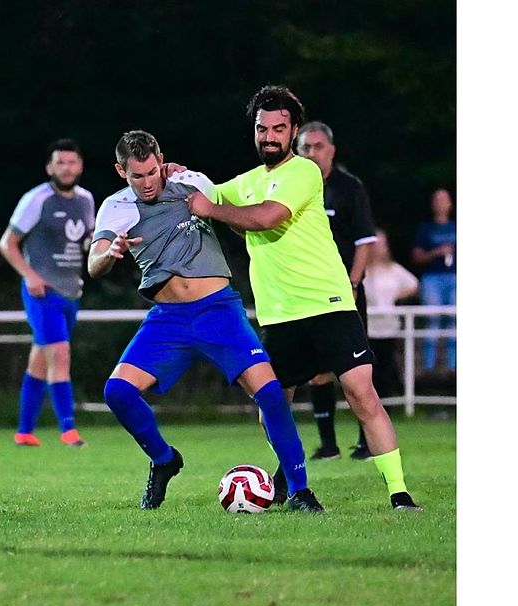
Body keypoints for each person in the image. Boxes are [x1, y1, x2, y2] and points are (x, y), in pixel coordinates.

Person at [183, 85, 422, 510]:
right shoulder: (249, 181)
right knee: (271, 405)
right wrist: (176, 176)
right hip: (279, 314)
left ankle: (399, 493)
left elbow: (264, 217)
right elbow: (208, 192)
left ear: (293, 131)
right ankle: (293, 485)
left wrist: (211, 208)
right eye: (262, 128)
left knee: (361, 393)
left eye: (278, 128)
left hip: (327, 303)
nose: (269, 136)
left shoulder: (304, 172)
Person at [88, 130, 323, 512]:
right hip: (168, 318)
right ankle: (165, 460)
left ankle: (299, 491)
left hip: (218, 311)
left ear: (161, 159)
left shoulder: (191, 182)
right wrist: (110, 253)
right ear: (120, 171)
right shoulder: (116, 208)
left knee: (271, 396)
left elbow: (235, 212)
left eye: (151, 172)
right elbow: (93, 264)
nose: (147, 183)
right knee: (117, 392)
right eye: (137, 176)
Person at [0, 138, 94, 448]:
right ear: (50, 167)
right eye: (60, 162)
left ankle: (24, 432)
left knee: (40, 360)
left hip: (70, 292)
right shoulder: (36, 199)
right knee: (61, 353)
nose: (67, 168)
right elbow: (7, 242)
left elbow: (87, 241)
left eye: (72, 162)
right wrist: (30, 276)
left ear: (80, 166)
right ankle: (69, 431)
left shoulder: (86, 200)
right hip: (42, 293)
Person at [296, 120, 378, 461]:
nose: (311, 153)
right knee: (315, 369)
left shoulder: (348, 188)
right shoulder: (292, 186)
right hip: (306, 291)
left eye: (317, 147)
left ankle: (365, 442)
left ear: (331, 150)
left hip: (344, 291)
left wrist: (354, 283)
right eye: (305, 148)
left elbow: (364, 241)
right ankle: (327, 445)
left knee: (357, 369)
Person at [363, 229, 420, 403]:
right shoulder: (363, 270)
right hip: (369, 328)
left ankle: (387, 405)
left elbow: (414, 284)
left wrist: (395, 297)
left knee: (387, 368)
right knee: (370, 371)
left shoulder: (394, 269)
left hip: (389, 327)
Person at [411, 188, 456, 372]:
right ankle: (429, 369)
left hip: (455, 277)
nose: (440, 203)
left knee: (455, 319)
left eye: (443, 199)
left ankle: (454, 368)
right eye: (437, 199)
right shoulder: (425, 229)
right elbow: (416, 256)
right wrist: (436, 253)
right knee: (432, 319)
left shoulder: (457, 227)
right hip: (432, 278)